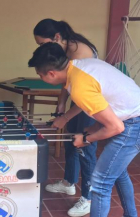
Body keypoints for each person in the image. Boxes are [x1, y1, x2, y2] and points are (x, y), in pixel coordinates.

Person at [28, 42, 140, 217]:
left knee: (100, 181)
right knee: (117, 172)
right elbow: (100, 102)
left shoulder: (79, 85)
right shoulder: (78, 67)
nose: (41, 78)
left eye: (40, 75)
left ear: (51, 73)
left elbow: (116, 127)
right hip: (130, 116)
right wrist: (85, 126)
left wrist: (87, 139)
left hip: (132, 123)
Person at [33, 19, 98, 216]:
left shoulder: (80, 53)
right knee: (71, 142)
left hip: (90, 104)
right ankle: (69, 182)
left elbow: (85, 95)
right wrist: (61, 105)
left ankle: (88, 198)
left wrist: (65, 117)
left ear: (57, 37)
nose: (45, 49)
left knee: (85, 148)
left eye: (44, 44)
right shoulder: (64, 50)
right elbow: (66, 81)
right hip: (79, 100)